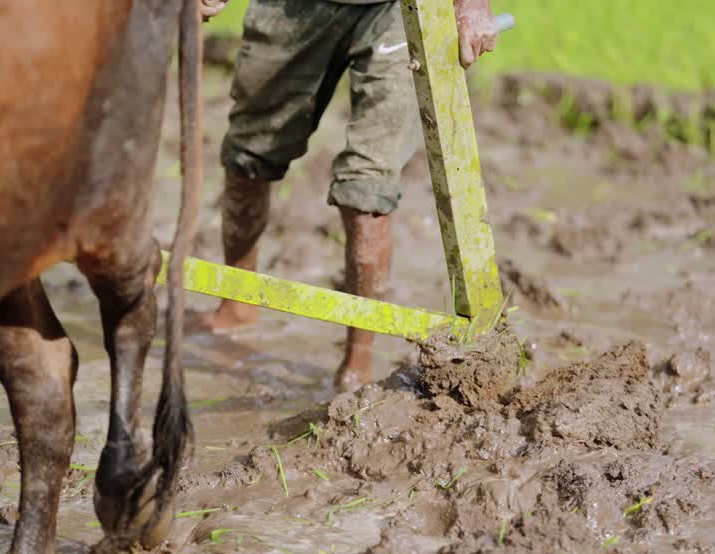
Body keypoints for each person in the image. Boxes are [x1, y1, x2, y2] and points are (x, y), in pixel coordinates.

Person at [192, 0, 500, 391]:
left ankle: (358, 360)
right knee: (250, 156)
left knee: (367, 189)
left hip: (400, 9)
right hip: (292, 8)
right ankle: (236, 306)